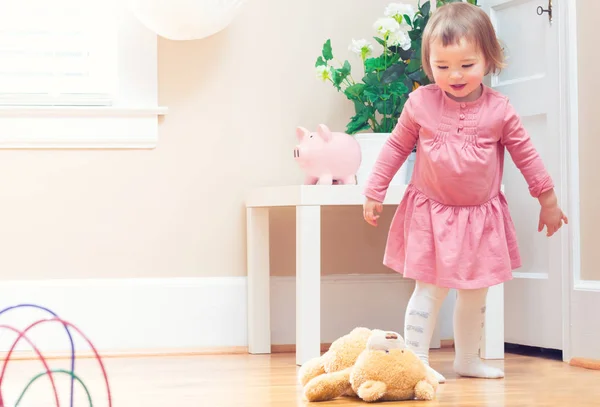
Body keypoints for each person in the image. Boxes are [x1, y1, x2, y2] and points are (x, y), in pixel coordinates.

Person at [362, 2, 567, 383]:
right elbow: (394, 147)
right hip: (431, 213)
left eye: (466, 65)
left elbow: (527, 156)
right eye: (443, 67)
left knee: (476, 294)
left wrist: (548, 200)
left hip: (480, 218)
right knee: (431, 288)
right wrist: (375, 190)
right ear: (429, 64)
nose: (454, 75)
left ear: (489, 60)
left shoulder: (500, 110)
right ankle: (417, 358)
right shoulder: (420, 103)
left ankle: (467, 358)